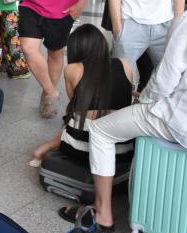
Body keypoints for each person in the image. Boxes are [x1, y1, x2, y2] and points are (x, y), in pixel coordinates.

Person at [61, 0, 187, 232]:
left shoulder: (186, 23)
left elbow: (166, 78)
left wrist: (145, 99)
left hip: (179, 119)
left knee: (101, 130)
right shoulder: (124, 66)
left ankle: (103, 213)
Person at [30, 24, 134, 176]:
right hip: (122, 149)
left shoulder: (72, 69)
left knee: (76, 120)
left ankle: (47, 146)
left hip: (80, 149)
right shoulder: (125, 65)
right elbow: (125, 99)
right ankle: (47, 146)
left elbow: (77, 105)